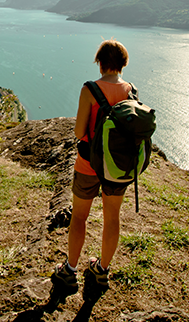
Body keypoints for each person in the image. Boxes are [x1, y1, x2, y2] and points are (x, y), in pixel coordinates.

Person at [52, 39, 132, 297]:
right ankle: (102, 270)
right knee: (112, 218)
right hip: (117, 168)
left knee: (79, 217)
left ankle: (70, 270)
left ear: (100, 63)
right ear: (122, 63)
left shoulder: (90, 89)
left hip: (88, 164)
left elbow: (78, 131)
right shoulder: (131, 91)